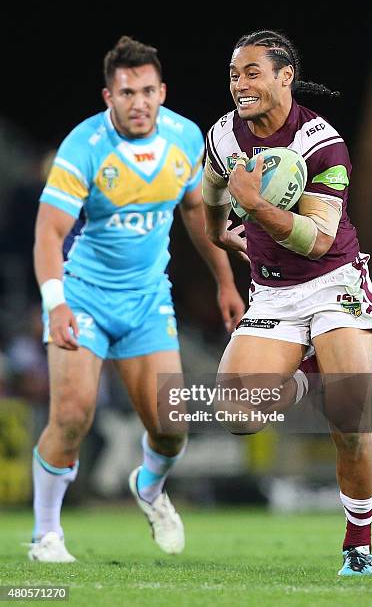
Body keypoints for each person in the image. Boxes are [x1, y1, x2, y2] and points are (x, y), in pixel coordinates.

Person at [29, 36, 245, 563]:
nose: (139, 102)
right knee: (73, 416)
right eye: (127, 92)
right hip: (84, 298)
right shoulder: (83, 147)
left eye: (148, 90)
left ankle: (148, 488)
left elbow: (196, 214)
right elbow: (48, 234)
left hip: (148, 301)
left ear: (162, 90)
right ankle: (46, 537)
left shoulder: (185, 139)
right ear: (109, 96)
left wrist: (224, 281)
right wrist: (57, 304)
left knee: (172, 431)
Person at [203, 29, 372, 576]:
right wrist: (219, 233)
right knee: (236, 415)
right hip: (274, 292)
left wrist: (255, 208)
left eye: (252, 72)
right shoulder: (224, 135)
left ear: (285, 76)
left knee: (348, 421)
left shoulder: (321, 143)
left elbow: (319, 239)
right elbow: (212, 188)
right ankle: (310, 368)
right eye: (235, 74)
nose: (240, 84)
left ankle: (358, 546)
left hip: (334, 282)